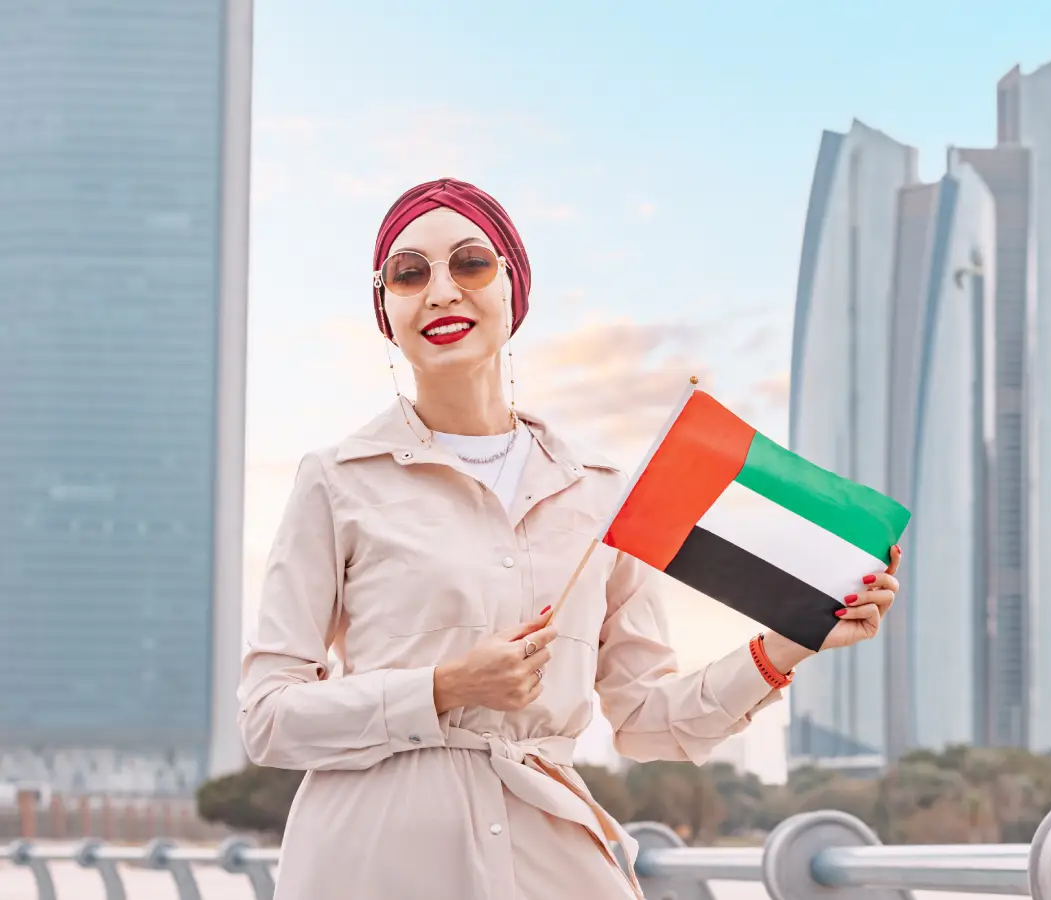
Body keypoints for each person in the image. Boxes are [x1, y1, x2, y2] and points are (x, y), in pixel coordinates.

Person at [236, 177, 902, 900]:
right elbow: (268, 718)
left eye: (470, 263)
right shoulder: (336, 482)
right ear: (386, 310)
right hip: (371, 859)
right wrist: (440, 689)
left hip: (550, 855)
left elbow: (648, 721)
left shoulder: (599, 490)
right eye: (409, 273)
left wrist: (786, 644)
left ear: (512, 290)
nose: (439, 291)